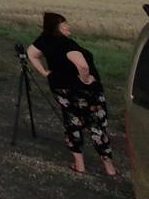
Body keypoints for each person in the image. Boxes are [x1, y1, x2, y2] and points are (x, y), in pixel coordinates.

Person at [26, 12, 117, 176]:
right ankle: (109, 168)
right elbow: (82, 65)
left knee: (72, 124)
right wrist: (85, 79)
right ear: (56, 28)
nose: (68, 26)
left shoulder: (44, 40)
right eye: (63, 25)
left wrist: (45, 73)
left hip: (60, 89)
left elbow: (31, 53)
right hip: (85, 92)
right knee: (96, 126)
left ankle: (79, 165)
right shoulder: (67, 44)